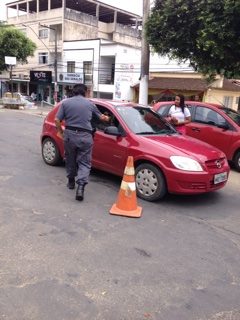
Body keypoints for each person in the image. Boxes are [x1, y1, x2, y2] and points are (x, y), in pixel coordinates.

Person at [55, 84, 110, 201]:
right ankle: (80, 187)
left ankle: (71, 182)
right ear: (85, 92)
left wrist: (60, 132)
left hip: (69, 135)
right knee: (84, 162)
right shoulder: (90, 104)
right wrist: (107, 117)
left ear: (74, 91)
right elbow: (102, 118)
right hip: (85, 136)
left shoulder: (65, 103)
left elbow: (57, 119)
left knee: (70, 159)